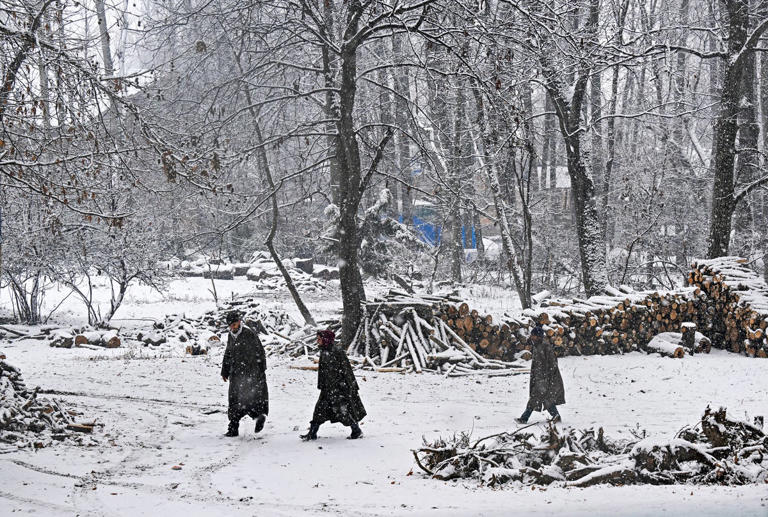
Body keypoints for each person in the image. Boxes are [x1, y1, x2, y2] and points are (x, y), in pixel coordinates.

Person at [300, 329, 366, 441]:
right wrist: (322, 385)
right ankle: (312, 433)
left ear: (325, 340)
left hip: (339, 388)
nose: (317, 341)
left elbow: (346, 370)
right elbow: (323, 371)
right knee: (319, 411)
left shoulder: (337, 351)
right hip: (327, 388)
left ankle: (356, 431)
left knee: (343, 412)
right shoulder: (324, 351)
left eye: (319, 339)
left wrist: (349, 387)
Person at [221, 311, 269, 437]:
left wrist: (260, 370)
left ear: (239, 322)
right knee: (234, 400)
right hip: (236, 374)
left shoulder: (249, 334)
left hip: (250, 373)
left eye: (235, 324)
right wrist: (225, 370)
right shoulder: (231, 335)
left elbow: (260, 352)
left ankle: (259, 418)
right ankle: (233, 428)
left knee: (251, 399)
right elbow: (228, 353)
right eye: (231, 325)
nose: (233, 327)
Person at [516, 325, 565, 424]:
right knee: (546, 398)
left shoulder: (545, 347)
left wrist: (547, 376)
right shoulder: (537, 346)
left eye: (533, 336)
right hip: (539, 377)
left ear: (538, 336)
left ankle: (524, 418)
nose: (532, 337)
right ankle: (556, 416)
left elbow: (552, 363)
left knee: (536, 397)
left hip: (545, 378)